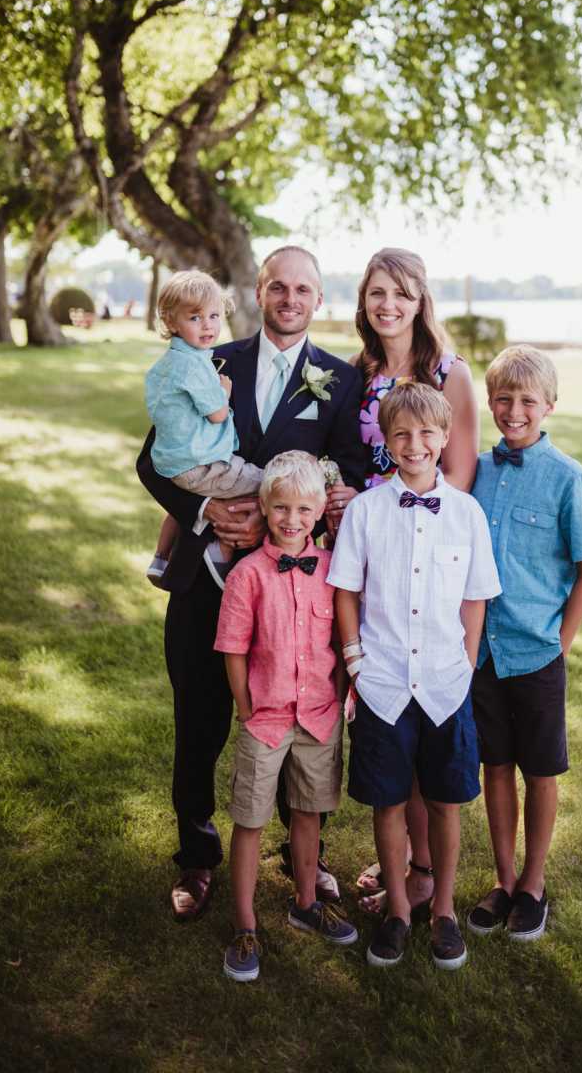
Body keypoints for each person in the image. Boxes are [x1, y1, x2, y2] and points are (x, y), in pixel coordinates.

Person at [136, 246, 364, 922]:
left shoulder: (339, 379)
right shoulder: (208, 355)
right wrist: (206, 511)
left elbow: (347, 467)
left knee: (301, 719)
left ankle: (303, 858)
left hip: (294, 593)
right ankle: (197, 856)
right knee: (200, 719)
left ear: (317, 300)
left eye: (303, 290)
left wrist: (323, 501)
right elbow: (153, 460)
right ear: (258, 292)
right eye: (278, 287)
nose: (290, 299)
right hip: (205, 577)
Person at [324, 246, 480, 919]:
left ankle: (421, 872)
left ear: (422, 301)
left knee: (428, 714)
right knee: (384, 714)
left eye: (403, 293)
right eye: (377, 293)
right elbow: (347, 460)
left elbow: (460, 477)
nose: (389, 304)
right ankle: (396, 860)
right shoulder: (354, 374)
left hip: (427, 557)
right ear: (363, 302)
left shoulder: (449, 372)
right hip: (363, 549)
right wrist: (342, 500)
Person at [329, 382, 501, 970]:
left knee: (446, 802)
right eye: (401, 433)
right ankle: (398, 909)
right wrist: (355, 661)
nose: (415, 444)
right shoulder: (366, 511)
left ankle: (445, 909)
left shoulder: (468, 514)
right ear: (387, 439)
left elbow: (475, 599)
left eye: (427, 433)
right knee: (390, 802)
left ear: (446, 438)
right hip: (381, 685)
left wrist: (465, 662)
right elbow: (346, 590)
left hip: (446, 684)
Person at [468, 345, 582, 941]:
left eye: (526, 401)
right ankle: (501, 879)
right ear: (490, 402)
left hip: (536, 651)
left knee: (539, 770)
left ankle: (534, 882)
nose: (514, 411)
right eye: (503, 399)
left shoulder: (569, 478)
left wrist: (562, 643)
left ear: (549, 404)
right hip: (482, 652)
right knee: (494, 765)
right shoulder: (475, 470)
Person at [215, 452, 357, 982]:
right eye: (280, 508)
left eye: (302, 508)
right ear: (264, 507)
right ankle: (245, 923)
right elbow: (233, 648)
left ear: (320, 510)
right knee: (249, 819)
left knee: (307, 814)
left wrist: (339, 694)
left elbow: (343, 637)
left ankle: (305, 902)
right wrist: (247, 709)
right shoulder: (247, 575)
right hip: (266, 719)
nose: (291, 519)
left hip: (319, 718)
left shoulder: (332, 570)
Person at [144, 270, 263, 587]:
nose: (208, 324)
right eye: (195, 317)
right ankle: (220, 552)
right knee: (262, 481)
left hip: (172, 463)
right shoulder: (195, 365)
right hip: (202, 463)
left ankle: (160, 557)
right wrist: (223, 391)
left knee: (178, 509)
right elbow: (217, 414)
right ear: (171, 322)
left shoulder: (167, 363)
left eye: (214, 315)